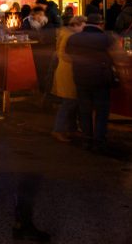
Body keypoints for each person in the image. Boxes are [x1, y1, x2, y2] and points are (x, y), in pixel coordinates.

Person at [66, 13, 121, 151]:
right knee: (102, 111)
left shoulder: (73, 38)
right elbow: (119, 56)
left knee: (85, 111)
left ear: (86, 23)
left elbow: (68, 56)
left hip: (80, 78)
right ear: (101, 24)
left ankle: (87, 140)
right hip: (101, 79)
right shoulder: (107, 38)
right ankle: (99, 140)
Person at [51, 15, 87, 142]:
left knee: (73, 102)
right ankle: (58, 129)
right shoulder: (69, 36)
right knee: (69, 102)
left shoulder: (67, 33)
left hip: (67, 70)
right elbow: (63, 53)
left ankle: (71, 129)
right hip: (68, 72)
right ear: (76, 25)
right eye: (83, 25)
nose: (84, 28)